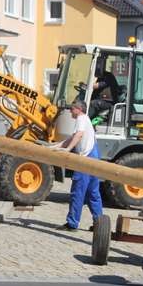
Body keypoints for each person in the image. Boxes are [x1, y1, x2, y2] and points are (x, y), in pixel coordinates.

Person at [52, 99, 104, 231]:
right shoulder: (85, 119)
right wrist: (55, 146)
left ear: (79, 109)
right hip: (94, 157)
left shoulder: (81, 119)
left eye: (72, 108)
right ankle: (99, 223)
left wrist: (68, 149)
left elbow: (79, 135)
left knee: (78, 192)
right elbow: (72, 138)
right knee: (93, 193)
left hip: (85, 159)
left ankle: (72, 223)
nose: (70, 110)